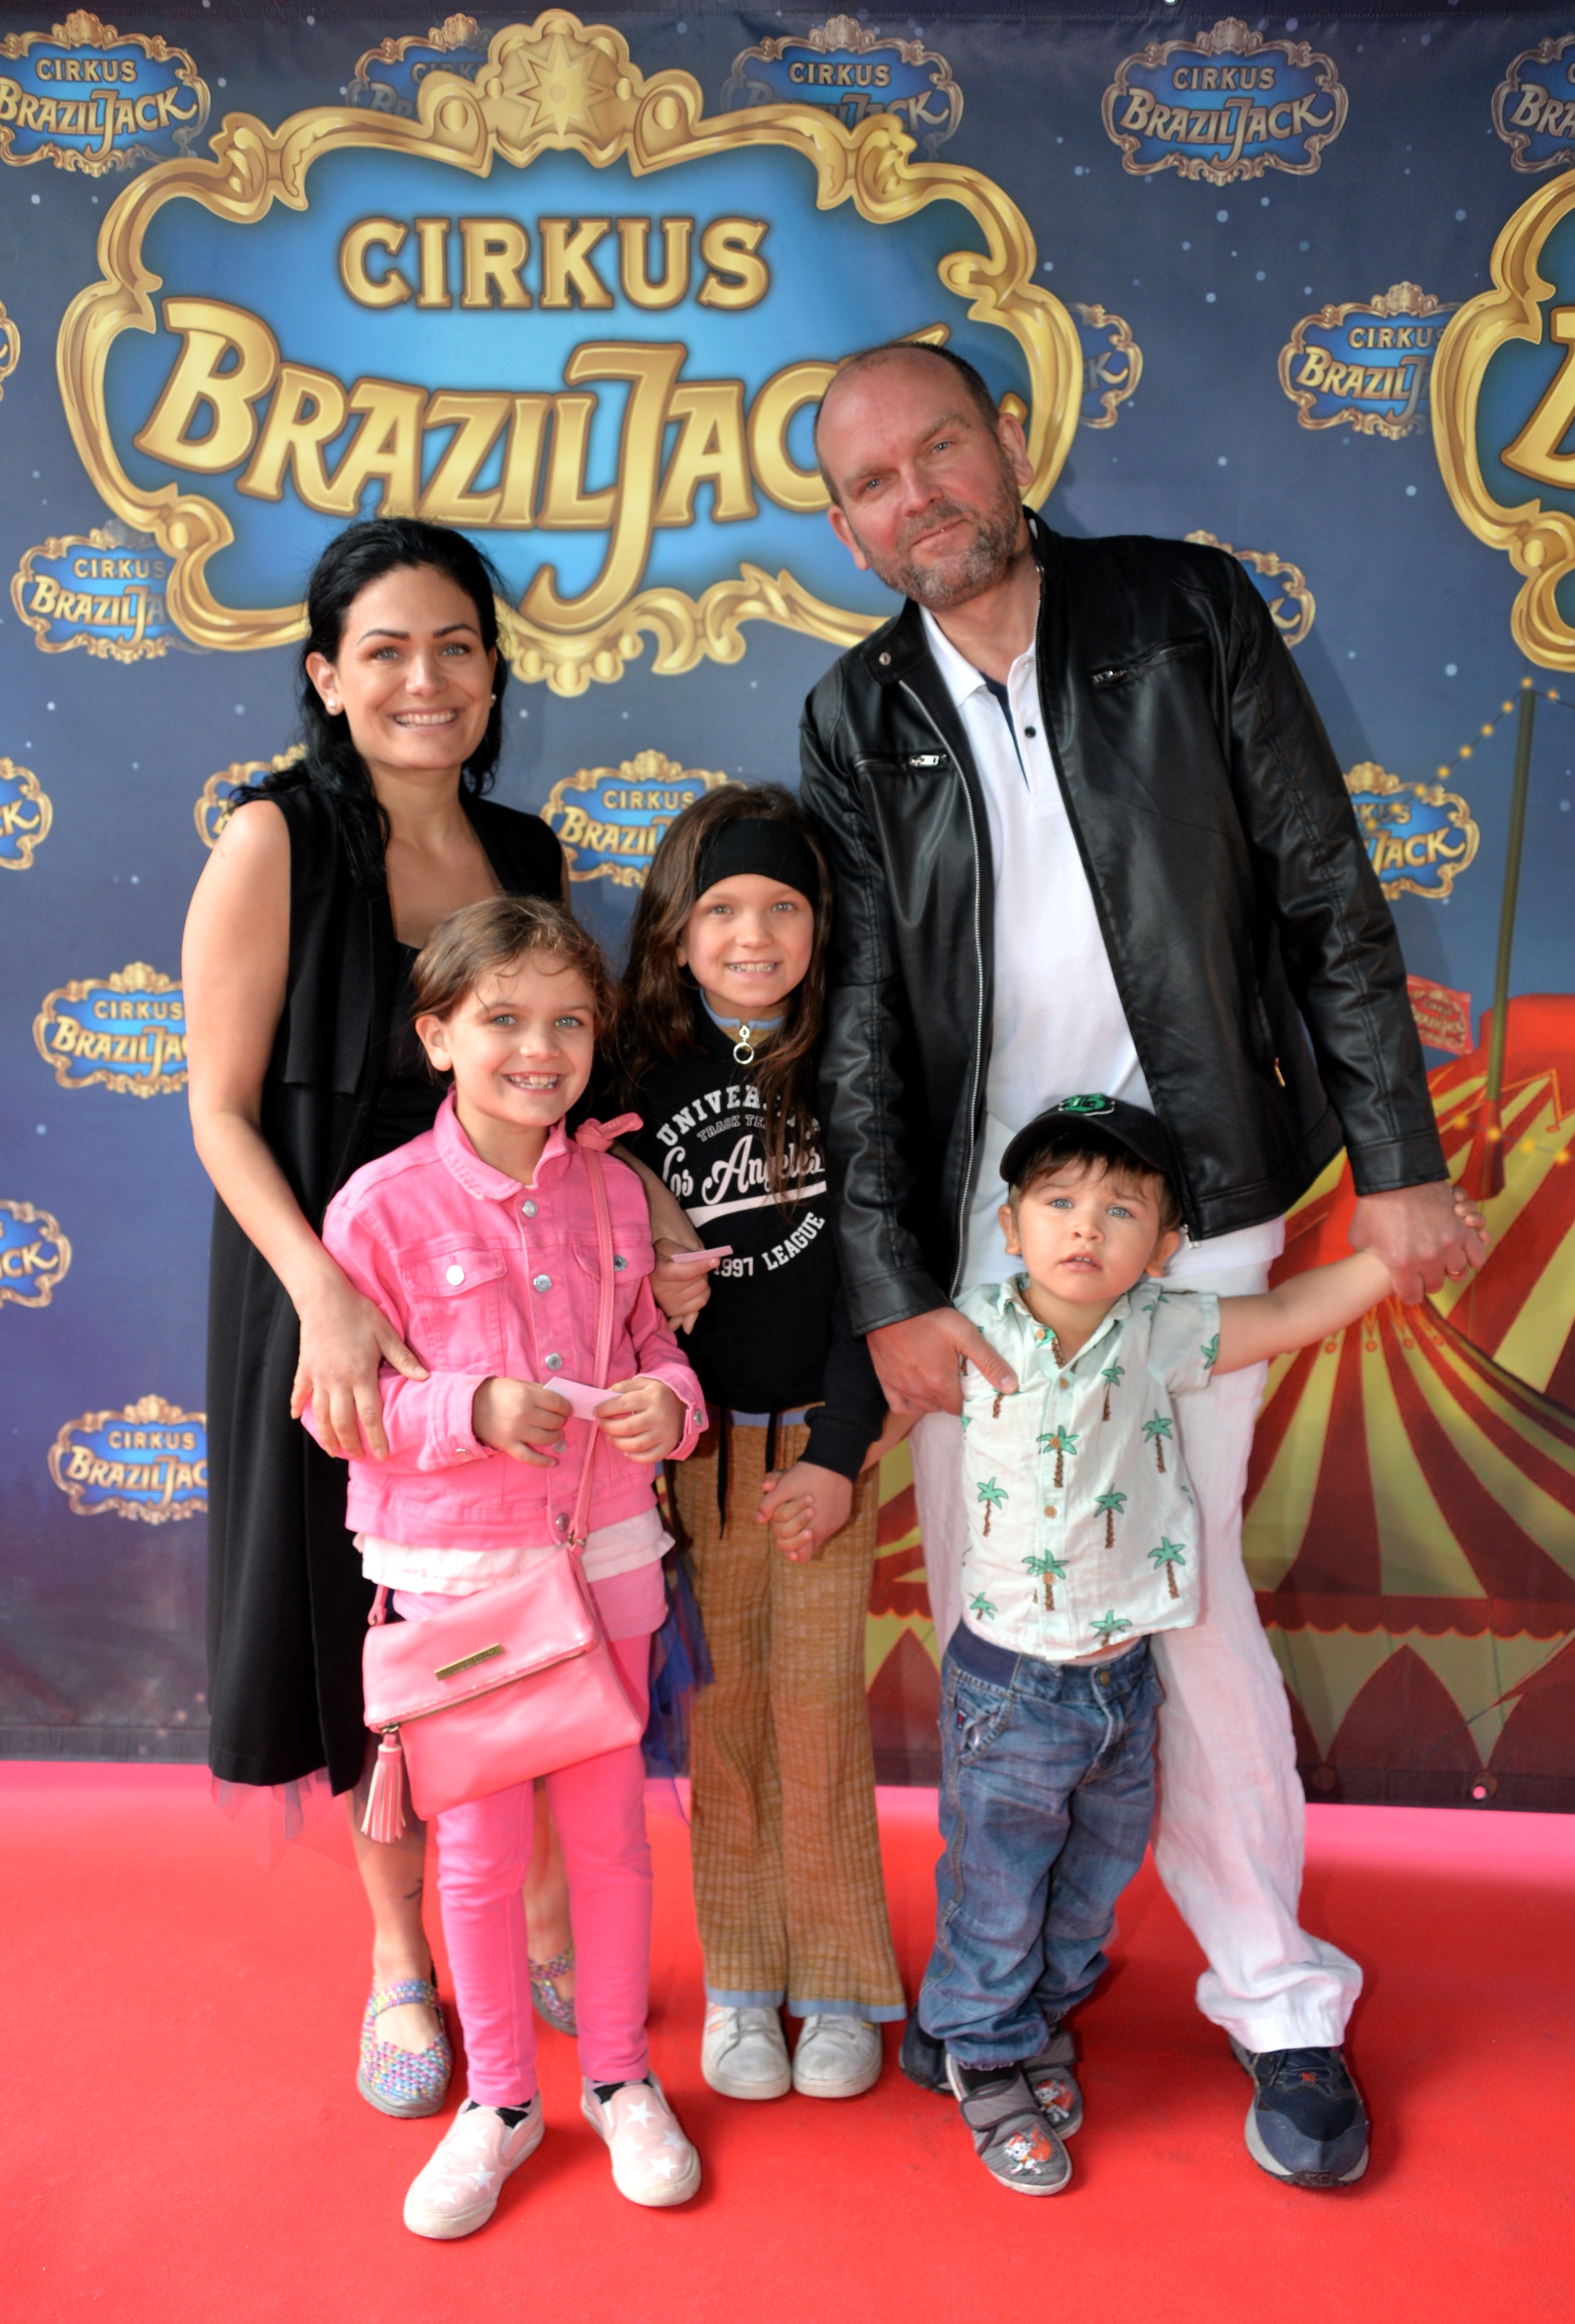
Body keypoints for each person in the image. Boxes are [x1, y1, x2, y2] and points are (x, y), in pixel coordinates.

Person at [800, 339, 1486, 2186]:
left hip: (1193, 1198)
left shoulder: (1184, 611)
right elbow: (858, 1025)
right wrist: (891, 1291)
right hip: (976, 1238)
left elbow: (1324, 889)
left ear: (1009, 442)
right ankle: (1007, 1991)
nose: (918, 497)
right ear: (848, 529)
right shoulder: (855, 714)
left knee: (1175, 1600)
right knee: (1002, 1616)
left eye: (941, 448)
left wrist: (1400, 1161)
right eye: (871, 483)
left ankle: (1277, 1997)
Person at [183, 517, 694, 2115]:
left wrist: (656, 1206)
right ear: (327, 675)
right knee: (382, 1637)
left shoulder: (527, 852)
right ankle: (400, 1958)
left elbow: (562, 1087)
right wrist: (327, 1304)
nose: (426, 679)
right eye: (387, 649)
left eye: (456, 647)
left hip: (521, 1296)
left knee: (538, 1600)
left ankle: (538, 1917)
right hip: (332, 1294)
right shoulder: (272, 839)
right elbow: (218, 1111)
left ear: (493, 672)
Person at [919, 1097, 1484, 2195]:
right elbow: (877, 1402)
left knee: (1090, 1885)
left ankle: (1036, 2022)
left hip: (1122, 1683)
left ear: (1167, 1244)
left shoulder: (1162, 1329)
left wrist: (1391, 1262)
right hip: (1005, 1685)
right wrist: (822, 1467)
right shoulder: (968, 1328)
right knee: (997, 1883)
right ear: (1010, 1223)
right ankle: (980, 2055)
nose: (1086, 1228)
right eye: (1058, 1202)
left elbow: (1288, 1309)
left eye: (1121, 1211)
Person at [306, 894, 708, 2237]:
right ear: (437, 1035)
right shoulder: (378, 1209)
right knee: (476, 1858)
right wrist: (467, 1408)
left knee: (609, 1840)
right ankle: (499, 2101)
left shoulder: (615, 1191)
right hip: (462, 1586)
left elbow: (654, 1345)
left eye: (569, 1022)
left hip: (607, 1563)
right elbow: (338, 1409)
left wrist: (671, 1405)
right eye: (504, 1020)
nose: (540, 1049)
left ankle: (618, 2077)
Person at [617, 785, 907, 2101]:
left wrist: (841, 1451)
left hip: (820, 1450)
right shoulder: (629, 1076)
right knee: (724, 1719)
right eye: (722, 908)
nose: (752, 935)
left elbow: (876, 1280)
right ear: (675, 928)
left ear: (820, 925)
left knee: (820, 1718)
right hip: (689, 1456)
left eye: (782, 906)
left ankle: (840, 1980)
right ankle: (741, 1981)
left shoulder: (857, 1066)